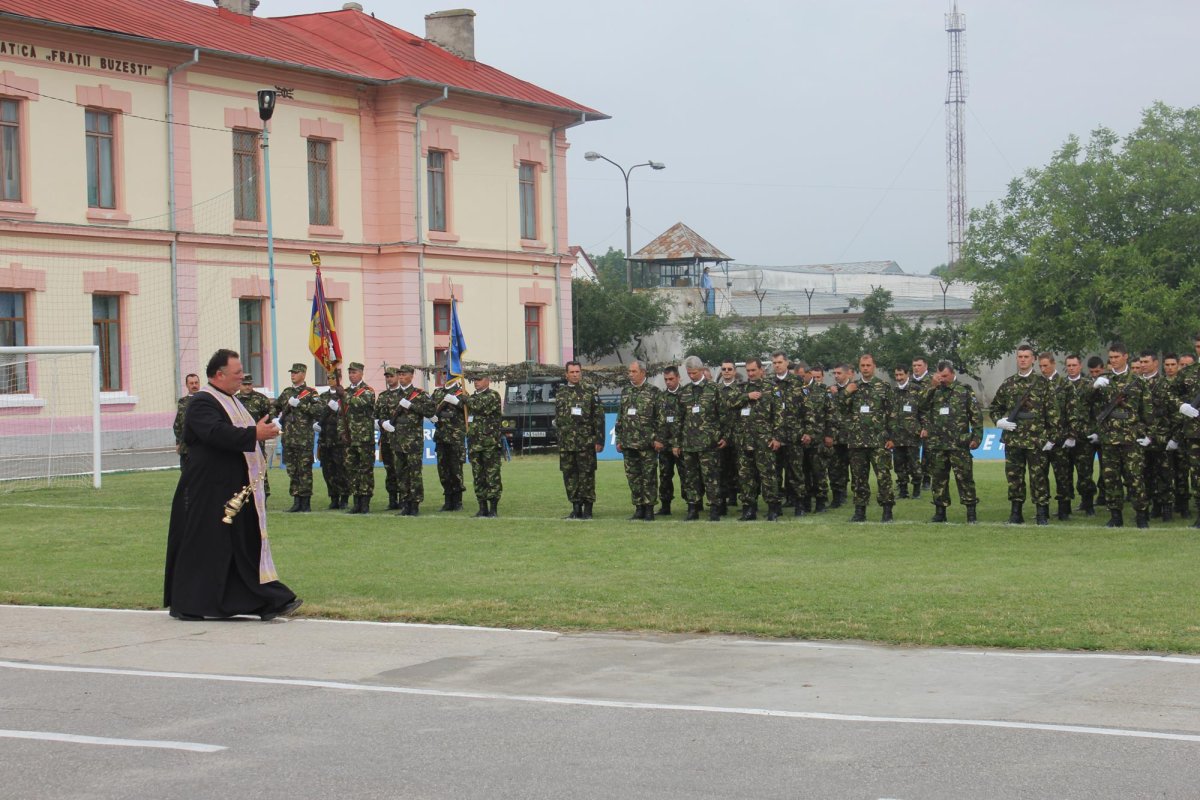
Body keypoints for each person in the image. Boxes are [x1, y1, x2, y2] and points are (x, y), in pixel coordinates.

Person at [164, 348, 300, 622]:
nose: (242, 377)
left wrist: (256, 431)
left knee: (240, 545)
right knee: (207, 546)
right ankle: (192, 603)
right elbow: (215, 433)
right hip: (207, 491)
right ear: (219, 375)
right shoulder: (202, 403)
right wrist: (254, 433)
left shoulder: (232, 401)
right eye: (237, 373)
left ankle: (265, 600)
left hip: (233, 490)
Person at [993, 344, 1058, 525]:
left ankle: (1041, 513)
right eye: (1020, 356)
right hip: (1014, 440)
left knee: (1038, 477)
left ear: (1033, 359)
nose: (1023, 359)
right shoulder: (1008, 383)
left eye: (1026, 356)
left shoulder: (1043, 383)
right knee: (1014, 477)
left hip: (1036, 440)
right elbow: (995, 407)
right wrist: (998, 421)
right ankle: (1016, 513)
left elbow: (1053, 413)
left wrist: (1052, 438)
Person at [1090, 342, 1151, 528]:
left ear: (1126, 356)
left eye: (1117, 357)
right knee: (1111, 478)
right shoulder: (1104, 380)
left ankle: (1141, 516)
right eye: (1111, 358)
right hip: (1109, 438)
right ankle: (1115, 516)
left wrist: (1147, 434)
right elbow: (1086, 403)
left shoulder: (1138, 381)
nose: (1114, 360)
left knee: (1135, 478)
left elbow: (1147, 412)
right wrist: (1093, 387)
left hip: (1131, 438)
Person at [832, 353, 896, 523]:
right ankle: (860, 511)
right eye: (862, 366)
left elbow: (892, 413)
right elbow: (838, 408)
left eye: (868, 365)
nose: (865, 368)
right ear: (859, 368)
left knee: (883, 476)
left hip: (879, 441)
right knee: (859, 478)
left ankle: (887, 510)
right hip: (857, 441)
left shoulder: (883, 386)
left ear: (874, 367)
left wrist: (892, 437)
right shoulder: (853, 387)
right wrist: (846, 392)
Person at [918, 361, 982, 523]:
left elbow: (976, 415)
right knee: (939, 479)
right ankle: (940, 511)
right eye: (940, 376)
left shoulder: (964, 390)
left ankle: (971, 512)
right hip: (938, 443)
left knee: (965, 478)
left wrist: (977, 437)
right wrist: (931, 387)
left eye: (945, 376)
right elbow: (920, 406)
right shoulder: (934, 390)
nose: (942, 379)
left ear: (953, 374)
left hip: (959, 443)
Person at [730, 357, 784, 521]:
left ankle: (773, 508)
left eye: (754, 370)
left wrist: (777, 437)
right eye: (748, 371)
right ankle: (749, 509)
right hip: (744, 441)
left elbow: (779, 415)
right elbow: (729, 402)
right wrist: (747, 396)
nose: (751, 373)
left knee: (768, 475)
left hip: (764, 441)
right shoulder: (741, 388)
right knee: (746, 477)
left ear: (761, 370)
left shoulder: (772, 388)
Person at [677, 356, 727, 521]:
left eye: (694, 373)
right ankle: (693, 508)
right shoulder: (684, 391)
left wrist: (725, 436)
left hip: (709, 443)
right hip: (689, 443)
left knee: (711, 477)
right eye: (689, 373)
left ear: (701, 370)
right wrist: (677, 442)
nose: (692, 376)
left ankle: (714, 509)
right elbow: (679, 419)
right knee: (691, 478)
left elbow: (724, 415)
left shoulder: (714, 389)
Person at [554, 360, 605, 520]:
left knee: (586, 476)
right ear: (566, 374)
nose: (575, 375)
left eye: (577, 372)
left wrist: (599, 440)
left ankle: (588, 510)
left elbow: (599, 417)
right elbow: (559, 418)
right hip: (566, 444)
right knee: (569, 476)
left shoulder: (590, 391)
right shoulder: (561, 392)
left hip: (585, 443)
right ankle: (576, 509)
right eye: (572, 372)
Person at [616, 360, 662, 521]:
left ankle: (649, 509)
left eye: (634, 371)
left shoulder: (654, 392)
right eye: (629, 371)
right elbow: (620, 417)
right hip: (628, 443)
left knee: (649, 477)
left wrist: (658, 439)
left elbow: (660, 418)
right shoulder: (626, 391)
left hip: (647, 444)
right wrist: (619, 438)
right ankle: (638, 508)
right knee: (633, 477)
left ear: (643, 373)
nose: (631, 374)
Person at [274, 363, 324, 513]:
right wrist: (274, 418)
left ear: (303, 374)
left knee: (304, 470)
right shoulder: (287, 392)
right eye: (292, 372)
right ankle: (296, 501)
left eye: (296, 372)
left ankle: (306, 502)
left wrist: (300, 405)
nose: (293, 375)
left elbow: (318, 410)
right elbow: (275, 406)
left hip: (304, 439)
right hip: (288, 439)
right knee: (292, 470)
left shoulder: (311, 393)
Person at [386, 365, 435, 516]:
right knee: (401, 473)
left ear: (411, 376)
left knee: (414, 473)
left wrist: (412, 406)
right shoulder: (393, 395)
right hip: (397, 440)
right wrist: (384, 423)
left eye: (404, 374)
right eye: (399, 374)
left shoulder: (419, 394)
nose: (401, 377)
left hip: (413, 441)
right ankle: (405, 503)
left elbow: (430, 411)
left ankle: (415, 504)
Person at [1139, 351, 1176, 522]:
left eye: (1146, 361)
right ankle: (1152, 506)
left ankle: (1166, 507)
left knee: (1164, 474)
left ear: (1155, 363)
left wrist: (1173, 436)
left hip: (1162, 437)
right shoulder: (1137, 384)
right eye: (1141, 362)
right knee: (1145, 474)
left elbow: (1172, 413)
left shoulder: (1164, 384)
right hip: (1142, 437)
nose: (1143, 365)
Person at [1038, 353, 1074, 520]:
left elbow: (1072, 411)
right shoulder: (1038, 384)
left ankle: (1064, 509)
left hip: (1060, 437)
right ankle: (1043, 508)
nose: (1043, 369)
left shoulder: (1065, 384)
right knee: (1040, 475)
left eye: (1045, 365)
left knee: (1062, 474)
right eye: (1040, 366)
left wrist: (1071, 435)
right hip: (1042, 437)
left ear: (1053, 364)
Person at [464, 370, 503, 517]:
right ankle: (482, 507)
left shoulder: (492, 395)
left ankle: (493, 508)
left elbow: (480, 407)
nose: (476, 382)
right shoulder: (472, 397)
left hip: (489, 444)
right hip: (475, 443)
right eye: (474, 380)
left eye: (479, 379)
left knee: (492, 476)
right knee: (478, 476)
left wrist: (465, 399)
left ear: (487, 380)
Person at [1063, 354, 1097, 516]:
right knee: (1064, 473)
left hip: (1084, 437)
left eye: (1074, 365)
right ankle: (1065, 506)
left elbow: (1096, 410)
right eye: (1068, 366)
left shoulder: (1089, 385)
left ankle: (1088, 503)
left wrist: (1095, 430)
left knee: (1085, 472)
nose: (1071, 368)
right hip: (1065, 436)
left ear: (1080, 366)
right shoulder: (1061, 385)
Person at [1173, 333, 1200, 527]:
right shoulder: (1188, 372)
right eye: (1198, 346)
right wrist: (1181, 405)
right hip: (1195, 432)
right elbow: (1169, 392)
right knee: (1197, 475)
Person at [430, 375, 468, 512]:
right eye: (442, 373)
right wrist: (431, 416)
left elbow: (469, 409)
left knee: (456, 470)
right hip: (441, 437)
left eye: (447, 373)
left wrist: (457, 402)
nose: (445, 376)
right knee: (443, 470)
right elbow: (430, 408)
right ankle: (447, 500)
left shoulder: (462, 393)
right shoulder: (437, 393)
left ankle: (457, 501)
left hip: (455, 438)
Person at [317, 366, 351, 510]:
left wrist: (339, 410)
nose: (330, 380)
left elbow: (350, 413)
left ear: (339, 378)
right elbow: (318, 412)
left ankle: (344, 497)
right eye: (328, 377)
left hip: (339, 439)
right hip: (325, 438)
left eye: (333, 377)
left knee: (341, 469)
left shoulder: (344, 394)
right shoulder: (323, 396)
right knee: (328, 470)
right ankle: (333, 497)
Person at [236, 374, 273, 499]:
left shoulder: (261, 399)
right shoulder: (235, 400)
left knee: (259, 467)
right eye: (244, 384)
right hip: (240, 439)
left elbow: (268, 418)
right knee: (242, 468)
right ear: (240, 385)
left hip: (257, 440)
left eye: (249, 384)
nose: (247, 387)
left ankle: (263, 496)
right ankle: (244, 496)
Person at [1162, 352, 1190, 517]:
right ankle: (1165, 506)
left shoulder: (1183, 386)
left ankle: (1183, 505)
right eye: (1167, 365)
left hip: (1181, 434)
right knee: (1165, 472)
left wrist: (1177, 437)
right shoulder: (1160, 385)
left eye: (1173, 365)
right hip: (1164, 434)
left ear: (1178, 366)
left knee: (1182, 472)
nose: (1170, 368)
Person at [825, 363, 854, 510]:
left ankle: (859, 495)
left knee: (855, 468)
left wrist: (840, 395)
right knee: (835, 468)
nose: (836, 376)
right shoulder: (830, 390)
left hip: (851, 436)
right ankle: (838, 496)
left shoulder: (854, 388)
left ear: (847, 373)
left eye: (839, 373)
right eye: (834, 373)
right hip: (835, 436)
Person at [803, 365, 832, 513]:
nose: (801, 378)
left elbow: (830, 414)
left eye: (802, 374)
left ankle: (821, 501)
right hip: (800, 439)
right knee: (803, 472)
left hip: (818, 438)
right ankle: (806, 502)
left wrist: (829, 434)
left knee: (818, 471)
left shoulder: (822, 390)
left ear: (808, 373)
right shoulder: (796, 390)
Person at [891, 365, 922, 500]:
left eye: (901, 375)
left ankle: (916, 490)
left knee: (914, 464)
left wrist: (923, 428)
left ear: (907, 374)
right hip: (897, 436)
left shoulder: (917, 390)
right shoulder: (893, 392)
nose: (898, 378)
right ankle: (903, 490)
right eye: (896, 375)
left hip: (912, 435)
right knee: (899, 465)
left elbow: (923, 411)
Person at [374, 366, 404, 510]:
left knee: (401, 470)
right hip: (386, 439)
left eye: (391, 376)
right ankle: (392, 500)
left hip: (401, 439)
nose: (389, 379)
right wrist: (381, 423)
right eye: (387, 376)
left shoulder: (404, 394)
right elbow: (375, 416)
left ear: (398, 376)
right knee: (389, 470)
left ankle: (403, 499)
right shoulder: (382, 396)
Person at [716, 360, 742, 514]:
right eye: (724, 369)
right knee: (721, 471)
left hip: (737, 436)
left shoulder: (740, 389)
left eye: (729, 369)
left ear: (734, 371)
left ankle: (743, 500)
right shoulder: (715, 389)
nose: (726, 371)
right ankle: (723, 502)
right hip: (721, 437)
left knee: (740, 470)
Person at [657, 366, 683, 515]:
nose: (668, 382)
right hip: (665, 445)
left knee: (687, 476)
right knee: (665, 475)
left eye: (671, 379)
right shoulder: (661, 397)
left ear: (678, 377)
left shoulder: (686, 395)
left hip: (682, 444)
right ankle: (665, 505)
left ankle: (693, 505)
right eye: (666, 379)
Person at [911, 356, 933, 491]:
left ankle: (926, 478)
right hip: (912, 421)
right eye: (914, 365)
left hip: (928, 421)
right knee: (911, 452)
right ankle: (912, 479)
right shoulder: (909, 382)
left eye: (919, 365)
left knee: (928, 452)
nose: (916, 368)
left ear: (925, 366)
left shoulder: (932, 381)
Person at [173, 373, 200, 467]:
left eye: (196, 383)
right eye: (191, 383)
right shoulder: (182, 402)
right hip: (186, 448)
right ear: (187, 385)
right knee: (186, 473)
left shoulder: (205, 400)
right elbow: (177, 424)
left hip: (201, 447)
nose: (194, 385)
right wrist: (178, 442)